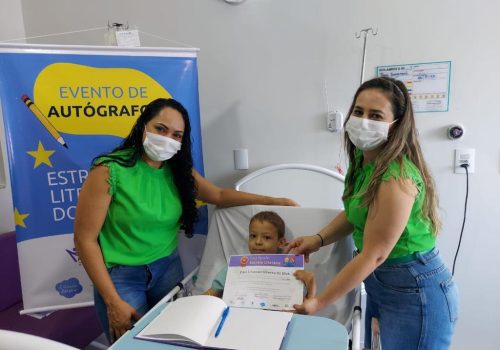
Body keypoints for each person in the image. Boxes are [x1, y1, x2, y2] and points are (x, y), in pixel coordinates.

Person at [74, 98, 297, 343]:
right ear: (143, 126)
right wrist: (113, 301)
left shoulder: (177, 170)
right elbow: (85, 239)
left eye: (176, 135)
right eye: (160, 129)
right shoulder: (109, 170)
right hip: (122, 277)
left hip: (168, 268)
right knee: (131, 345)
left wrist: (274, 201)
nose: (167, 139)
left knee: (174, 341)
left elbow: (219, 195)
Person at [286, 77, 458, 350]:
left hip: (414, 287)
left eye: (375, 115)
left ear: (396, 124)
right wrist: (318, 239)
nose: (363, 121)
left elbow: (375, 254)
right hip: (382, 281)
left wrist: (318, 302)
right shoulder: (363, 160)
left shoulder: (395, 178)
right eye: (358, 111)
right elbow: (357, 213)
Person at [204, 211, 315, 302]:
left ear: (281, 242)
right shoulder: (236, 267)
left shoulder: (291, 268)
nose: (257, 242)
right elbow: (212, 293)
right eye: (253, 236)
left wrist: (309, 282)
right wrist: (195, 304)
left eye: (266, 237)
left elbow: (302, 300)